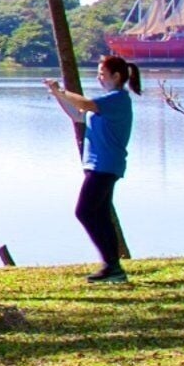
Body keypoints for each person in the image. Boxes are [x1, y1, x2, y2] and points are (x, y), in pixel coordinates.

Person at [45, 54, 142, 281]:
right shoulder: (106, 101)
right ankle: (113, 266)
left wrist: (61, 91)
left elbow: (85, 104)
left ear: (116, 76)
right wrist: (57, 95)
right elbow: (78, 115)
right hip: (97, 165)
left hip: (105, 166)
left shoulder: (117, 99)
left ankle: (111, 265)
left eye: (102, 73)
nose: (98, 77)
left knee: (84, 211)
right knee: (99, 214)